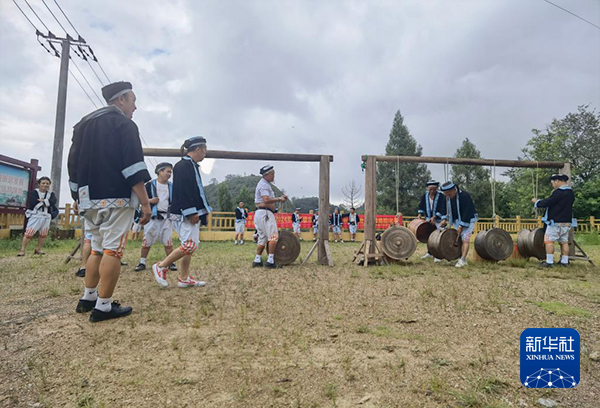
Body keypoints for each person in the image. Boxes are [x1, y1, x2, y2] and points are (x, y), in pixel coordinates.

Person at [68, 81, 152, 322]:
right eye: (133, 101)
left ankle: (88, 297)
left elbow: (72, 164)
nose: (135, 107)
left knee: (95, 248)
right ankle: (103, 307)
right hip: (117, 198)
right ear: (122, 99)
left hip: (88, 198)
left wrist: (76, 195)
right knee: (112, 251)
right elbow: (133, 167)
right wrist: (145, 204)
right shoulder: (124, 124)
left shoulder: (82, 125)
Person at [152, 137, 212, 288]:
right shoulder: (183, 166)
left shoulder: (190, 165)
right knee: (190, 245)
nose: (205, 153)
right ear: (198, 149)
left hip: (190, 210)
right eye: (204, 150)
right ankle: (160, 266)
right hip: (185, 212)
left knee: (190, 246)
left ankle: (184, 278)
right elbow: (184, 191)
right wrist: (190, 212)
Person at [134, 163, 177, 272]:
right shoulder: (149, 185)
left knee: (168, 240)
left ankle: (170, 262)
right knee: (147, 239)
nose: (169, 174)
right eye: (167, 171)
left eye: (170, 172)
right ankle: (142, 262)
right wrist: (149, 201)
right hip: (152, 216)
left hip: (166, 216)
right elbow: (139, 198)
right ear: (160, 171)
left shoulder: (172, 186)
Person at [532, 174, 575, 268]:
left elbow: (549, 202)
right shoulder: (570, 193)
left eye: (553, 183)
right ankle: (564, 261)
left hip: (555, 222)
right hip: (566, 222)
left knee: (549, 241)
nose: (553, 185)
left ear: (558, 181)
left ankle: (549, 261)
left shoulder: (558, 192)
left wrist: (537, 202)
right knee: (564, 242)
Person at [253, 165, 288, 268]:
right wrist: (279, 199)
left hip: (261, 213)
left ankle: (257, 259)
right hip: (265, 213)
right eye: (272, 174)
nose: (274, 176)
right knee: (273, 236)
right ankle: (270, 261)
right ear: (266, 174)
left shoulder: (263, 184)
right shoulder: (264, 185)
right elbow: (266, 200)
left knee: (262, 238)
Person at [440, 181, 477, 268]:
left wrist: (461, 225)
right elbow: (446, 209)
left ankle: (463, 259)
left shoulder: (464, 196)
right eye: (446, 194)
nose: (447, 196)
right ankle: (460, 257)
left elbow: (467, 212)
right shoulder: (448, 198)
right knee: (458, 239)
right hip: (456, 220)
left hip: (468, 220)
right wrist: (444, 219)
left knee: (465, 239)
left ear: (454, 190)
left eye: (449, 193)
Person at [17, 176, 58, 256]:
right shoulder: (33, 193)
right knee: (29, 233)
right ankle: (22, 250)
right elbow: (33, 203)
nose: (45, 185)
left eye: (47, 183)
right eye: (43, 183)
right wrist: (47, 202)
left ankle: (38, 249)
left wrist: (43, 201)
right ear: (39, 184)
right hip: (35, 215)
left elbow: (53, 202)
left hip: (46, 216)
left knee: (43, 234)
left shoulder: (51, 194)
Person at [418, 180, 447, 262]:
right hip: (428, 219)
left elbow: (443, 208)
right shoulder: (425, 196)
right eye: (431, 189)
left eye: (434, 189)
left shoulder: (441, 196)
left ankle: (438, 255)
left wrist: (435, 217)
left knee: (437, 237)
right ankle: (430, 253)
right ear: (428, 189)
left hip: (438, 220)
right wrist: (420, 214)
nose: (433, 191)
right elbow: (421, 206)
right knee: (429, 237)